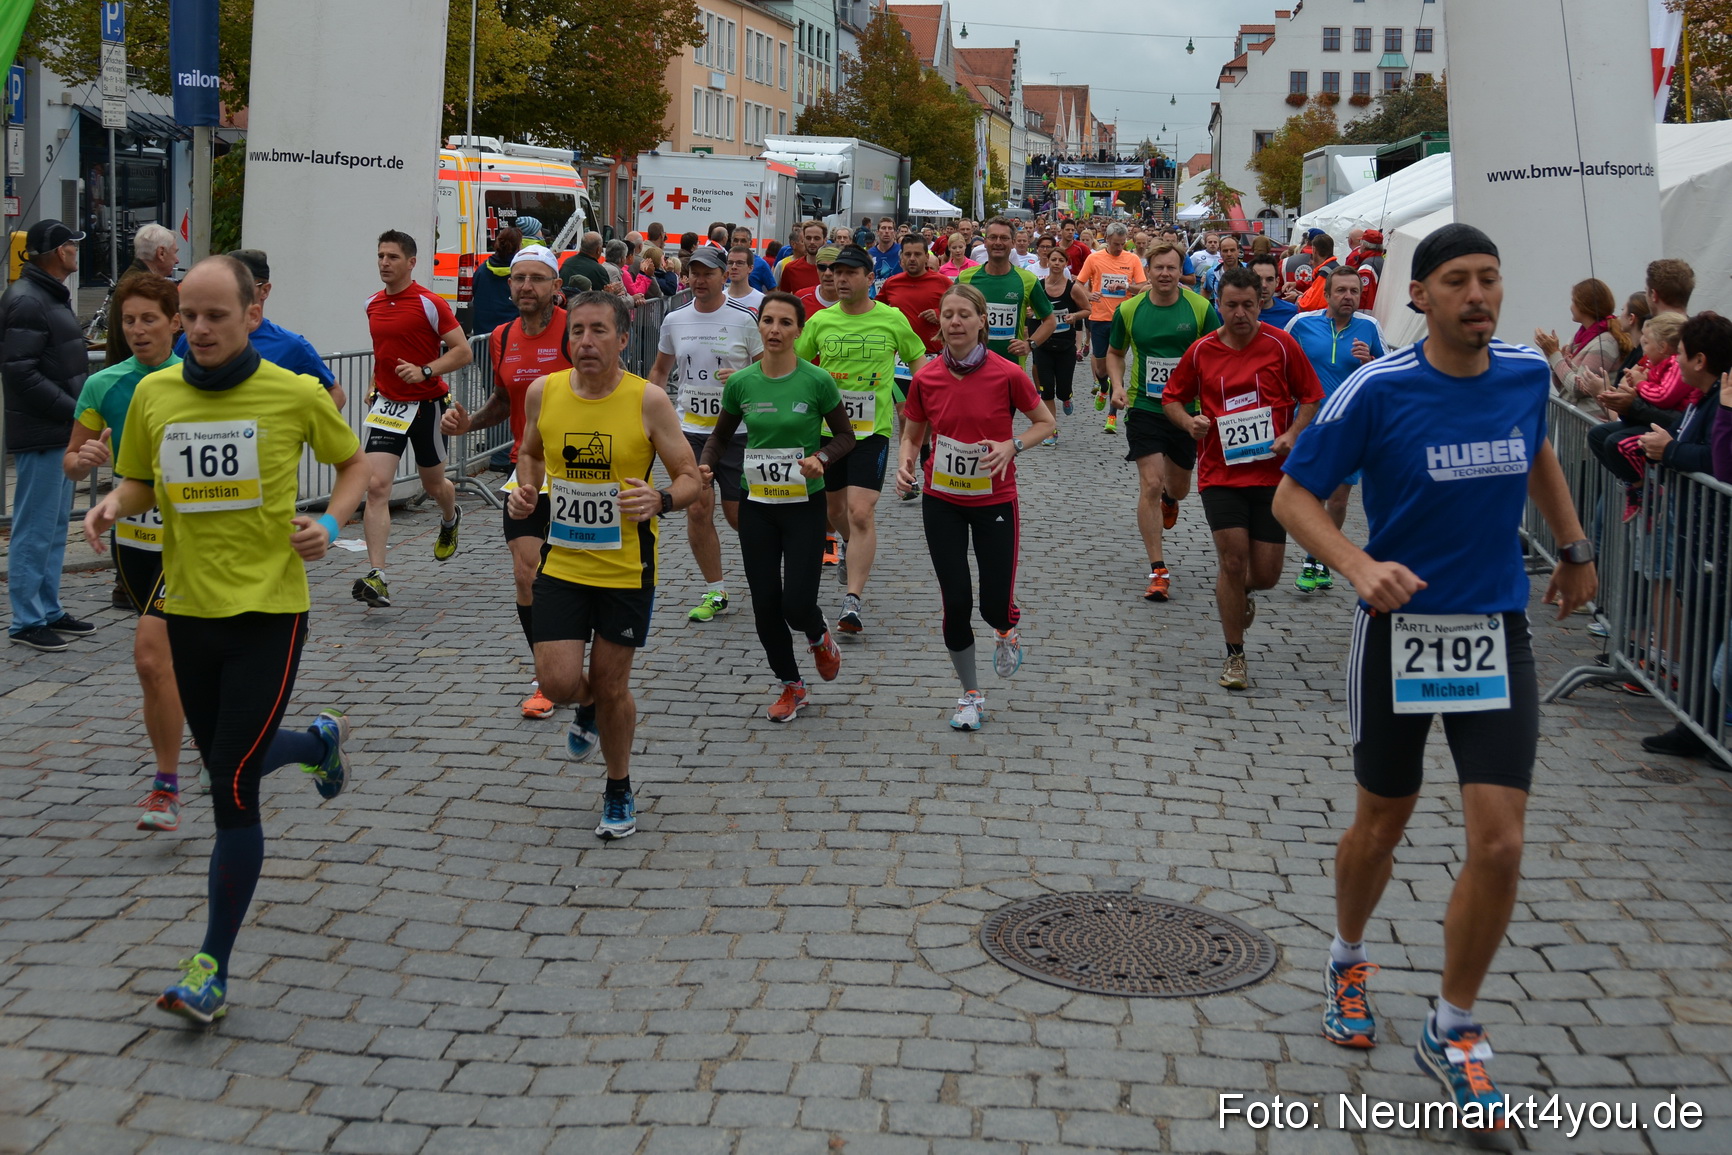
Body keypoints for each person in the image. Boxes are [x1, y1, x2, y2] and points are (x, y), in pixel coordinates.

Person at [1273, 222, 1596, 1126]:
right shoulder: (1378, 389)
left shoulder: (1527, 376)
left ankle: (1454, 1026)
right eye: (1457, 279)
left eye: (1490, 278)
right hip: (1399, 631)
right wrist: (1355, 564)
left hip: (1495, 628)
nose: (1478, 295)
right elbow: (1292, 497)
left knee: (1501, 840)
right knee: (1382, 823)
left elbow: (1534, 449)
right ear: (1418, 296)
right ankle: (1346, 955)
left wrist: (1572, 546)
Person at [85, 254, 369, 1025]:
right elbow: (143, 477)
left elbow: (354, 467)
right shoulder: (154, 392)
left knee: (230, 788)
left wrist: (332, 522)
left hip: (269, 613)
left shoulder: (294, 391)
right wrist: (115, 500)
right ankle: (315, 744)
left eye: (217, 315)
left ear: (252, 314)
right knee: (225, 759)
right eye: (191, 314)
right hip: (189, 611)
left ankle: (210, 964)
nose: (200, 328)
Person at [509, 291, 703, 840]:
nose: (586, 342)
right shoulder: (543, 392)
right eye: (577, 332)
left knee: (613, 685)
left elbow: (689, 477)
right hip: (563, 563)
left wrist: (660, 501)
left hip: (625, 569)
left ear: (623, 339)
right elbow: (528, 452)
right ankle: (585, 707)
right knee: (558, 680)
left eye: (599, 331)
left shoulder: (648, 401)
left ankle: (618, 786)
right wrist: (527, 491)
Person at [895, 282, 1055, 730]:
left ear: (983, 321)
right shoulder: (925, 377)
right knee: (956, 601)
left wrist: (1012, 446)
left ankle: (1006, 627)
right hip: (941, 499)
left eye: (965, 314)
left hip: (994, 499)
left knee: (993, 605)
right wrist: (906, 464)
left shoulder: (1007, 373)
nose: (955, 322)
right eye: (948, 315)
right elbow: (912, 432)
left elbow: (1045, 423)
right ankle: (970, 694)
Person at [1162, 266, 1322, 690]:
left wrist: (1291, 434)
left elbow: (1311, 396)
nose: (1240, 314)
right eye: (1231, 305)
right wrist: (1188, 421)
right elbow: (1172, 398)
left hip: (1271, 474)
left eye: (1248, 305)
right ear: (1219, 305)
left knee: (1265, 574)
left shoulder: (1281, 345)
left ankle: (1243, 590)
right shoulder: (1201, 351)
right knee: (1232, 559)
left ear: (1261, 303)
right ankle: (1235, 655)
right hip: (1221, 473)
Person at [64, 274, 185, 829]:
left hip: (193, 541)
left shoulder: (195, 378)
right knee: (168, 661)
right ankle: (210, 747)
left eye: (149, 319)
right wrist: (85, 458)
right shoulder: (105, 384)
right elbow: (71, 460)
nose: (137, 331)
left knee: (150, 654)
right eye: (128, 321)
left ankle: (165, 785)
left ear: (175, 321)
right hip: (135, 539)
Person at [705, 292, 855, 720]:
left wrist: (820, 458)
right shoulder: (741, 383)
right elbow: (719, 437)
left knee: (796, 603)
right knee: (765, 603)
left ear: (799, 330)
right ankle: (792, 686)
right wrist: (705, 465)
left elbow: (846, 437)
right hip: (759, 507)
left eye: (785, 323)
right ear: (760, 327)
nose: (775, 330)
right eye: (768, 321)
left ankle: (817, 633)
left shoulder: (816, 381)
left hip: (805, 505)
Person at [439, 245, 571, 718]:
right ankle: (546, 676)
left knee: (572, 577)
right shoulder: (500, 336)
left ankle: (576, 655)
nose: (526, 287)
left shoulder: (573, 331)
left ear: (557, 287)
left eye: (537, 279)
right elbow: (502, 399)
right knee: (527, 572)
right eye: (518, 279)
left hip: (580, 471)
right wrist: (468, 424)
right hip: (526, 468)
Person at [796, 245, 929, 634]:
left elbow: (918, 358)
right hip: (827, 432)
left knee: (859, 511)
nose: (841, 278)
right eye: (837, 272)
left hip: (873, 431)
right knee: (834, 511)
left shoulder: (891, 319)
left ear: (870, 279)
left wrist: (923, 395)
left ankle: (852, 601)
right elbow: (796, 362)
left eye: (851, 272)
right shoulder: (821, 322)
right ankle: (850, 550)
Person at [1630, 313, 1731, 767]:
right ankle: (1694, 726)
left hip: (1717, 538)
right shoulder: (1708, 397)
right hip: (1702, 534)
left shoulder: (1720, 402)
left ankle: (1704, 729)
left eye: (1683, 354)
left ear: (1701, 358)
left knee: (1712, 638)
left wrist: (1669, 450)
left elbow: (1718, 461)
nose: (1676, 361)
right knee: (1701, 634)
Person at [355, 230, 474, 607]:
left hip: (426, 406)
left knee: (435, 484)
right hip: (388, 407)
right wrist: (377, 384)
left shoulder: (429, 303)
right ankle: (378, 575)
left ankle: (449, 516)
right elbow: (384, 353)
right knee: (375, 487)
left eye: (392, 257)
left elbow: (463, 351)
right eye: (380, 256)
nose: (384, 263)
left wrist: (426, 370)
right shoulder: (372, 303)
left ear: (411, 262)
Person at [647, 245, 763, 622]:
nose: (698, 279)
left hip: (737, 432)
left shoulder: (745, 319)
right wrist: (645, 414)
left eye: (707, 273)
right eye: (693, 273)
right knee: (697, 506)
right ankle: (715, 591)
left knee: (737, 515)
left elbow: (771, 372)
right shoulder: (674, 319)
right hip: (690, 430)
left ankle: (767, 580)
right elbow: (660, 372)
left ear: (723, 276)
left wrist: (745, 378)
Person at [1108, 242, 1221, 602]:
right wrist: (1117, 385)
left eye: (1172, 268)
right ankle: (1158, 570)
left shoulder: (1201, 308)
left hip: (1188, 412)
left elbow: (1219, 353)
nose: (1165, 274)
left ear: (1180, 270)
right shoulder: (1129, 309)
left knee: (1178, 486)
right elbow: (1114, 352)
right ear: (1149, 270)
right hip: (1145, 406)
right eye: (1158, 268)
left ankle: (1173, 499)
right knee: (1150, 484)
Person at [2, 219, 93, 651]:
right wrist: (74, 410)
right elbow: (20, 371)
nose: (77, 250)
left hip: (58, 431)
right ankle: (26, 619)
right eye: (73, 245)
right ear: (60, 252)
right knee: (35, 528)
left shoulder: (44, 294)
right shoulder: (27, 300)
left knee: (54, 527)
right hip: (44, 432)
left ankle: (47, 607)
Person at [1284, 265, 1387, 591]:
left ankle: (1318, 560)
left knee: (1339, 501)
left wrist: (1370, 363)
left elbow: (1389, 375)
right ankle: (1316, 558)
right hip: (1309, 424)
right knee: (1311, 496)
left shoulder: (1369, 327)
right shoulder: (1302, 323)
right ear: (1326, 295)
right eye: (1341, 291)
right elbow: (1279, 359)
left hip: (1351, 427)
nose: (1348, 297)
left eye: (1354, 291)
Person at [173, 250, 344, 409]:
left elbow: (335, 393)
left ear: (265, 290)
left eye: (244, 284)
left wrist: (293, 425)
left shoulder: (291, 345)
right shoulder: (192, 339)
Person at [957, 217, 1055, 399]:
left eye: (1003, 238)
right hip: (970, 365)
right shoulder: (966, 278)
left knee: (1001, 424)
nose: (998, 243)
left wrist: (1030, 344)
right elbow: (950, 316)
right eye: (993, 237)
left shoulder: (1026, 280)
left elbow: (1049, 320)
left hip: (1009, 368)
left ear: (1012, 243)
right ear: (985, 242)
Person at [1078, 222, 1147, 433]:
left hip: (1123, 318)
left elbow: (1143, 287)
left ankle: (1112, 415)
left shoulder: (1132, 259)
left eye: (1121, 244)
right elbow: (1079, 284)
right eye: (1115, 244)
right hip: (1099, 318)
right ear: (1106, 239)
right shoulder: (1094, 258)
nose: (1118, 248)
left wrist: (1126, 286)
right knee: (1101, 368)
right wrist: (1089, 296)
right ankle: (1103, 386)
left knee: (1116, 366)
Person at [1532, 278, 1634, 405]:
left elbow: (1578, 388)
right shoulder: (1577, 339)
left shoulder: (1606, 342)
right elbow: (1564, 388)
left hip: (1593, 422)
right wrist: (1555, 359)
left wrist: (1554, 355)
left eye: (1573, 301)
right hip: (1574, 422)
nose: (1570, 306)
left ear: (1584, 305)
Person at [1030, 239, 1090, 435]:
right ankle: (1051, 430)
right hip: (1043, 344)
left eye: (1060, 260)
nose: (1056, 263)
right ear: (1048, 262)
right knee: (1046, 389)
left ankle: (1067, 397)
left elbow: (1087, 310)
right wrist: (1030, 313)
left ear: (1066, 264)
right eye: (1053, 259)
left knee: (1062, 389)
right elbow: (1030, 310)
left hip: (1065, 345)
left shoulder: (1072, 288)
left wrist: (1074, 316)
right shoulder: (1038, 286)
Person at [471, 226, 523, 334]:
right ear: (518, 247)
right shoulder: (520, 273)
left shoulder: (481, 270)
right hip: (510, 337)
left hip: (482, 338)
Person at [1249, 253, 1298, 328]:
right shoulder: (1238, 312)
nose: (1264, 285)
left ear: (1277, 282)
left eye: (1269, 280)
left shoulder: (1291, 313)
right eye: (1258, 279)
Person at [778, 220, 826, 296]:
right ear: (803, 239)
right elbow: (784, 299)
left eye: (817, 238)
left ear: (824, 240)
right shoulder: (790, 268)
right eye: (808, 238)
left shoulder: (832, 269)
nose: (812, 242)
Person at [731, 225, 778, 292]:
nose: (739, 244)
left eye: (743, 241)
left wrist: (761, 300)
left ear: (750, 243)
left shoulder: (761, 264)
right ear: (731, 243)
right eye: (736, 240)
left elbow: (773, 289)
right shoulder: (724, 262)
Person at [798, 246, 844, 314]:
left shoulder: (854, 302)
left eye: (833, 268)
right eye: (822, 267)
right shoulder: (801, 299)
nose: (827, 273)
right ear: (816, 268)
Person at [725, 244, 765, 313]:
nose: (734, 267)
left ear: (750, 268)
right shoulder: (719, 299)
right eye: (730, 263)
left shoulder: (761, 300)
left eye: (739, 263)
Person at [1355, 230, 1386, 312]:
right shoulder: (1383, 261)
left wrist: (1361, 319)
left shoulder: (1367, 266)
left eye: (1361, 243)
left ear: (1364, 245)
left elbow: (1364, 299)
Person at [868, 217, 901, 294]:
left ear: (895, 232)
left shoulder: (902, 251)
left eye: (890, 228)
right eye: (883, 228)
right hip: (875, 297)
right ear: (877, 232)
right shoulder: (869, 254)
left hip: (896, 295)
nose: (886, 231)